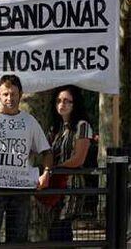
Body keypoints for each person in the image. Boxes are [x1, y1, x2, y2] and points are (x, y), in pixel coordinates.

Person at [0, 74, 53, 243]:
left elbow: (46, 151)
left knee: (18, 239)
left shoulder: (29, 121)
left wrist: (46, 173)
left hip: (21, 189)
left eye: (13, 94)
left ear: (20, 94)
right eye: (6, 94)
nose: (9, 98)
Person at [46, 85, 93, 241]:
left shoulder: (82, 126)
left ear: (75, 104)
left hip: (71, 185)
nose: (62, 104)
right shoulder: (55, 128)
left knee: (61, 229)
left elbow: (79, 158)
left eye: (67, 101)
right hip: (54, 185)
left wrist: (56, 168)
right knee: (55, 231)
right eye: (59, 101)